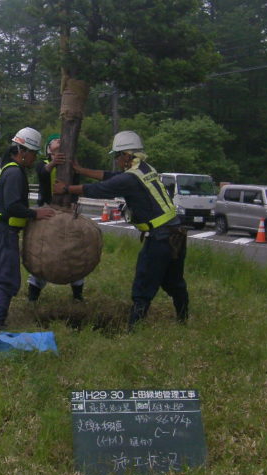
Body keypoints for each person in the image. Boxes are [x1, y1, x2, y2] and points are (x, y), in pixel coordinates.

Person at [56, 130, 188, 329]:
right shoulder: (145, 169)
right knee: (173, 281)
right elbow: (111, 177)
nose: (116, 160)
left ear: (128, 155)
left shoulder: (130, 179)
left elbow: (101, 189)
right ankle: (183, 319)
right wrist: (81, 170)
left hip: (160, 238)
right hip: (176, 234)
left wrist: (66, 189)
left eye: (117, 156)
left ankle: (134, 329)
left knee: (143, 283)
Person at [0, 127, 55, 333]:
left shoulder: (8, 168)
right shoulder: (14, 173)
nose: (34, 158)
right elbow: (13, 206)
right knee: (6, 277)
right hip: (4, 232)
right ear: (22, 151)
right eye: (33, 153)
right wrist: (34, 214)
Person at [27, 133, 85, 302]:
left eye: (60, 138)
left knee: (74, 249)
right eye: (54, 140)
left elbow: (76, 182)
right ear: (48, 149)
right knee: (42, 250)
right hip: (46, 210)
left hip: (67, 210)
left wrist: (74, 201)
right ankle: (33, 294)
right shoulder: (43, 164)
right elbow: (43, 174)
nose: (58, 140)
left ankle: (77, 293)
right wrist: (54, 163)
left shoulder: (70, 163)